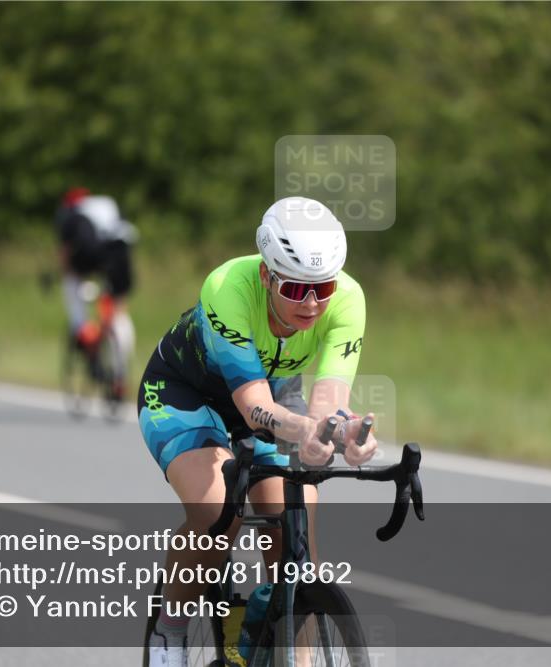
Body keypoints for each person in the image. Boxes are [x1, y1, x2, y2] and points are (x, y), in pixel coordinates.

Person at [138, 196, 377, 667]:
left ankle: (284, 651)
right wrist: (305, 427)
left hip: (276, 393)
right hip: (187, 394)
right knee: (217, 514)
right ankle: (169, 631)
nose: (311, 303)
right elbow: (253, 409)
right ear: (267, 275)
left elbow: (328, 404)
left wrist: (343, 431)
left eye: (322, 288)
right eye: (294, 290)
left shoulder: (348, 299)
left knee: (296, 529)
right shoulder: (228, 285)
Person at [55, 188, 138, 400]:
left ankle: (83, 329)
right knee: (118, 308)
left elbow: (66, 254)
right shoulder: (108, 202)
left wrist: (63, 274)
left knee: (73, 285)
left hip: (88, 252)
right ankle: (120, 372)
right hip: (120, 252)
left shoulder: (70, 214)